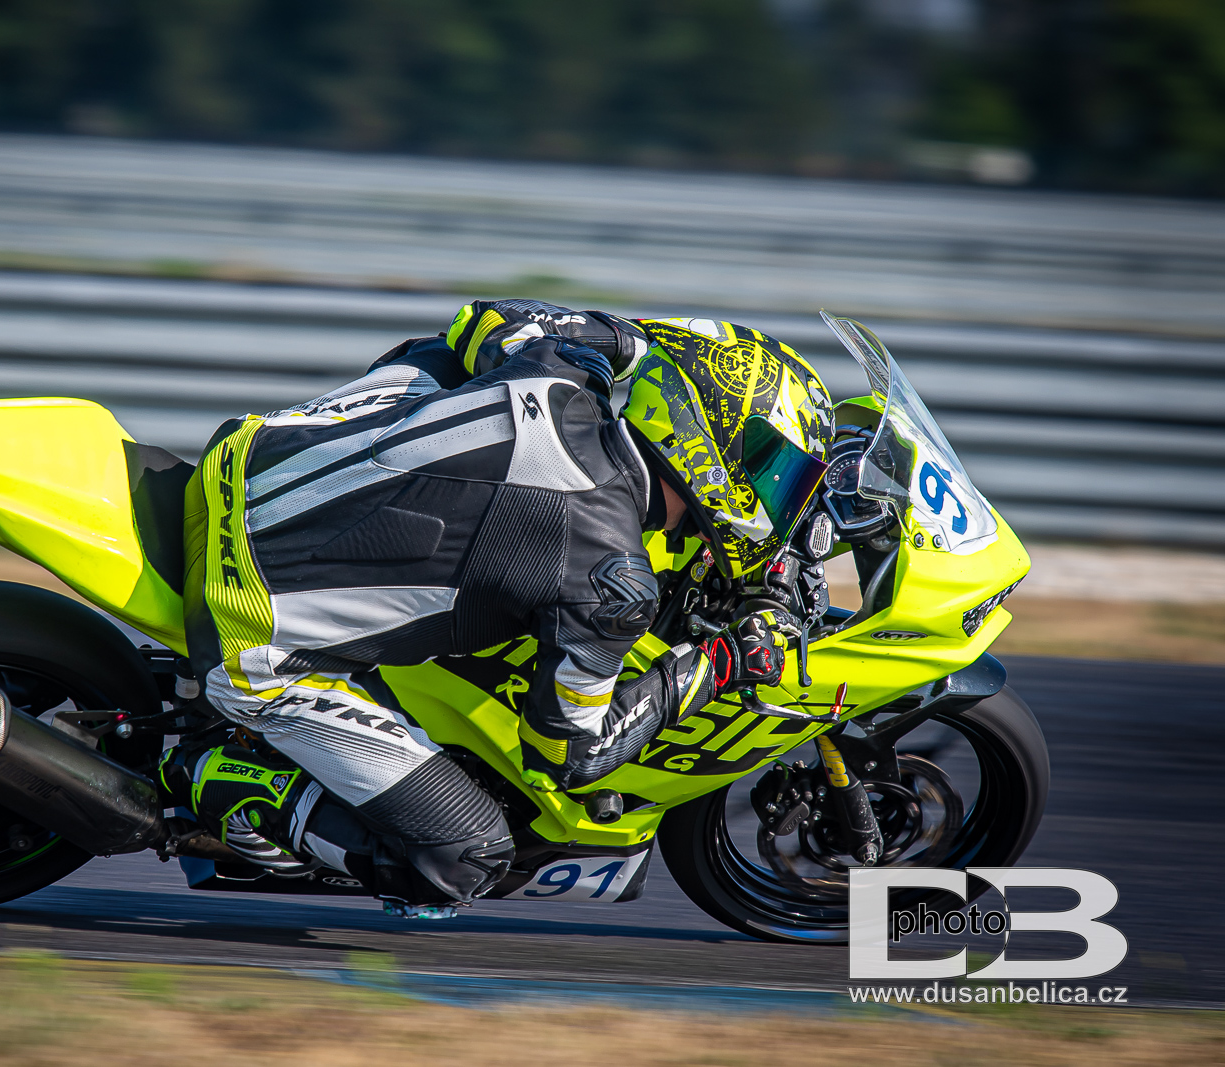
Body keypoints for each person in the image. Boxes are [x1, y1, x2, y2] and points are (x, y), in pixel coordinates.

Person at [155, 299, 834, 918]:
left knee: (443, 359)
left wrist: (625, 340)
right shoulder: (613, 581)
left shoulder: (562, 368)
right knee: (466, 857)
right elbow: (568, 754)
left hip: (245, 457)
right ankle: (211, 778)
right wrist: (715, 664)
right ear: (715, 449)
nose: (780, 497)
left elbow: (481, 317)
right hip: (248, 621)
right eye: (775, 473)